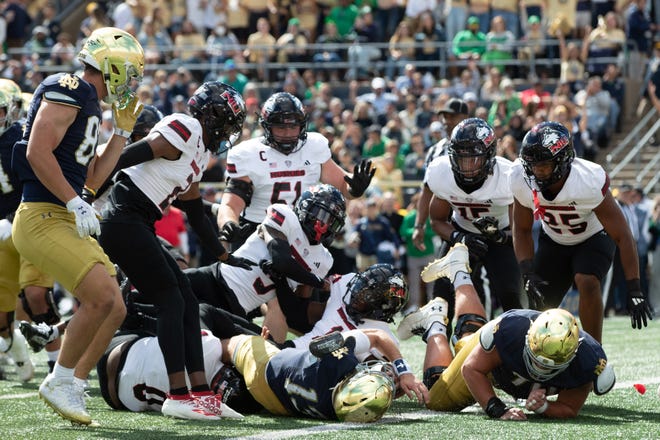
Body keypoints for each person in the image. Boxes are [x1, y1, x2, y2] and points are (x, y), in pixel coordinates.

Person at [10, 27, 144, 426]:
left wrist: (120, 134)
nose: (133, 82)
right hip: (42, 214)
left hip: (63, 214)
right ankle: (60, 378)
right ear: (112, 66)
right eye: (130, 72)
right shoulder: (71, 87)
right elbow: (36, 150)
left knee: (114, 305)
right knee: (101, 297)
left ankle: (74, 384)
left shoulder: (91, 103)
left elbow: (92, 179)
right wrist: (72, 200)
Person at [96, 81, 253, 421]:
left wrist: (222, 254)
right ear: (211, 116)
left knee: (186, 299)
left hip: (138, 222)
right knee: (170, 299)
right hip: (123, 218)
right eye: (227, 122)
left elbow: (194, 211)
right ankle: (178, 393)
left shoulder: (200, 150)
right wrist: (88, 191)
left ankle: (200, 392)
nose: (228, 131)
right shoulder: (186, 126)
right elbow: (127, 156)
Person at [398, 242, 616, 420]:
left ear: (573, 354)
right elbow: (472, 369)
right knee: (436, 399)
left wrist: (543, 408)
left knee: (465, 344)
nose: (538, 368)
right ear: (529, 336)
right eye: (537, 358)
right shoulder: (510, 332)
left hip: (499, 357)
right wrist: (496, 409)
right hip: (495, 362)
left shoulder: (588, 361)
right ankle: (435, 324)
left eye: (547, 364)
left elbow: (569, 408)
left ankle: (458, 270)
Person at [510, 121, 653, 342]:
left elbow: (623, 235)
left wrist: (634, 288)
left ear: (563, 160)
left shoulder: (587, 180)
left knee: (586, 280)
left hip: (593, 237)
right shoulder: (520, 177)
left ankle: (595, 353)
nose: (537, 172)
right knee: (539, 304)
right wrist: (527, 270)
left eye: (544, 165)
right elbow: (521, 227)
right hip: (554, 239)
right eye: (533, 165)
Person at [216, 92, 374, 249]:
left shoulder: (314, 146)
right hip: (257, 231)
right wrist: (229, 223)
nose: (288, 133)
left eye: (293, 126)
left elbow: (343, 186)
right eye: (280, 127)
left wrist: (355, 188)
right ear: (267, 126)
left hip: (303, 234)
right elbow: (230, 205)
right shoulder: (247, 154)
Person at [188, 184, 344, 343]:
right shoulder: (285, 215)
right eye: (322, 215)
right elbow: (281, 260)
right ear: (306, 207)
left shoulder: (324, 259)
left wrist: (281, 282)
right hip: (215, 278)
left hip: (235, 308)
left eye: (333, 222)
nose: (326, 225)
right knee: (167, 284)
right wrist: (317, 282)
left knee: (203, 343)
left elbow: (296, 310)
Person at [423, 118, 522, 331]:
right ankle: (441, 353)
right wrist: (460, 238)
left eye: (473, 158)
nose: (467, 166)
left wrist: (502, 237)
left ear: (489, 155)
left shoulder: (508, 176)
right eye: (461, 158)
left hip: (501, 236)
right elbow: (437, 221)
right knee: (441, 296)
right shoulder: (441, 173)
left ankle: (513, 351)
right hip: (461, 233)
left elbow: (522, 229)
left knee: (511, 295)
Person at [223, 327, 428, 421]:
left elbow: (378, 336)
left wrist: (404, 372)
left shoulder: (339, 361)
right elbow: (368, 400)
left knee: (228, 343)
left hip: (264, 369)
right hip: (279, 406)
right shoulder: (340, 412)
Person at [412, 98, 469, 252]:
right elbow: (427, 189)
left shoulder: (478, 145)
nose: (446, 121)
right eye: (444, 117)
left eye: (452, 116)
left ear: (465, 118)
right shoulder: (435, 150)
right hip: (447, 224)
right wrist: (419, 225)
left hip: (476, 217)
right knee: (445, 273)